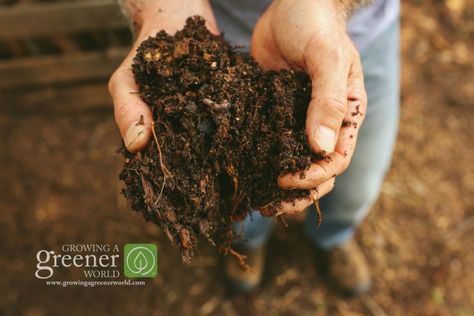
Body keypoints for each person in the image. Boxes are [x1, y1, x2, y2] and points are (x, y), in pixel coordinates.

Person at [109, 0, 400, 296]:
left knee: (356, 187)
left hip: (355, 30)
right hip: (204, 25)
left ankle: (333, 236)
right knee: (245, 200)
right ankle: (249, 244)